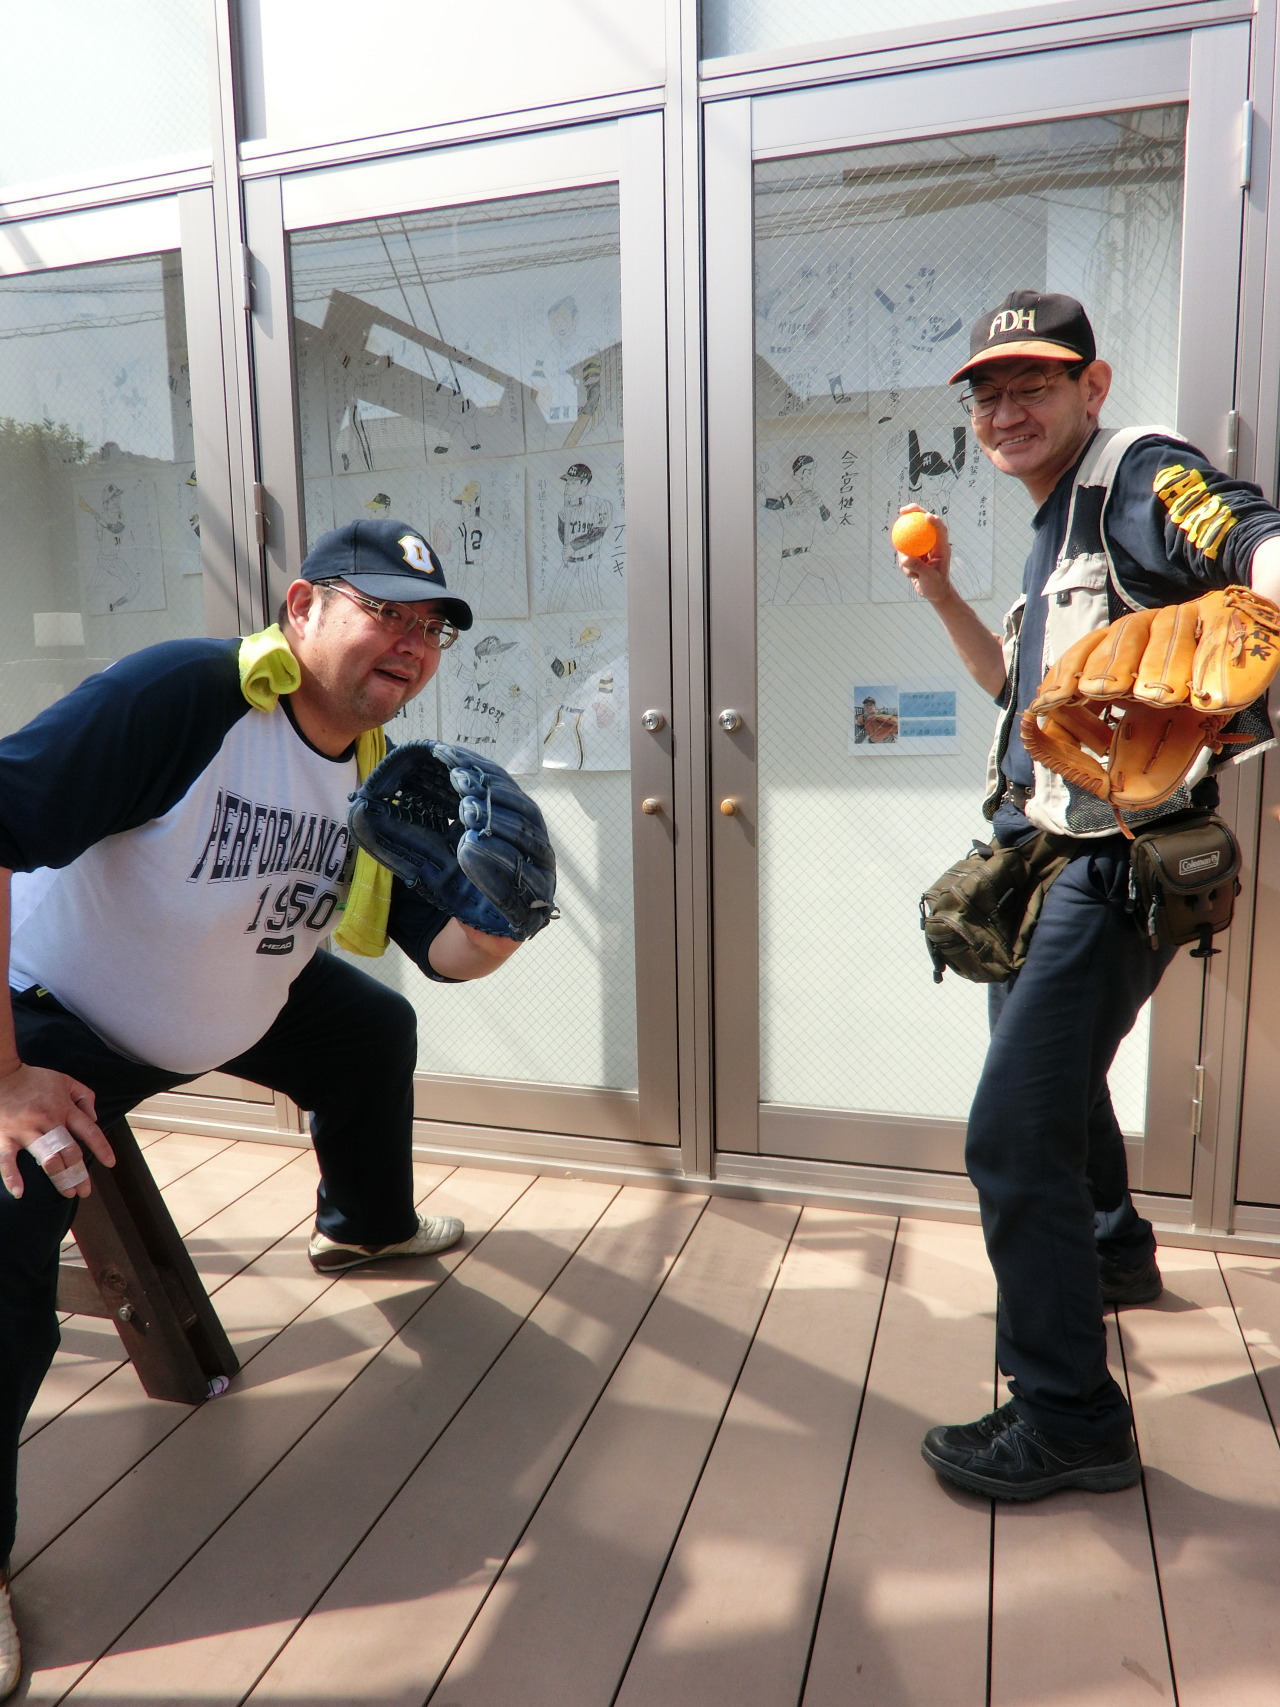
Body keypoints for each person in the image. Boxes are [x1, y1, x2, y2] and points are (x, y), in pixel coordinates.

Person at [0, 518, 532, 1697]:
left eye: (431, 628)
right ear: (300, 608)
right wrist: (3, 1076)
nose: (411, 641)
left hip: (232, 995)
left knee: (371, 1032)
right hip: (56, 1019)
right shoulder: (185, 698)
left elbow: (439, 952)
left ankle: (365, 1226)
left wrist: (498, 925)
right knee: (0, 1233)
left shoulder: (380, 771)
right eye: (383, 611)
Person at [899, 291, 1280, 1501]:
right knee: (1046, 1083)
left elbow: (1242, 533)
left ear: (1091, 386)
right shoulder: (1053, 522)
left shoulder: (1136, 477)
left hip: (1113, 860)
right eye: (987, 393)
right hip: (1041, 855)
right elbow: (1007, 690)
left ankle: (1067, 1416)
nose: (1005, 410)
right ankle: (1111, 1251)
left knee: (1011, 1132)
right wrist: (940, 593)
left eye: (1034, 384)